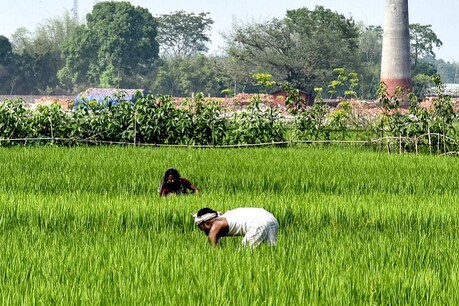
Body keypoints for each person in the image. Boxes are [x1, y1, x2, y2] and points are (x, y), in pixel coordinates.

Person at [192, 207, 279, 248]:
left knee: (243, 255)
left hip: (258, 223)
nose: (203, 231)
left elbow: (212, 240)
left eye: (201, 228)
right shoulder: (226, 216)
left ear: (207, 222)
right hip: (271, 219)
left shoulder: (217, 223)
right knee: (269, 251)